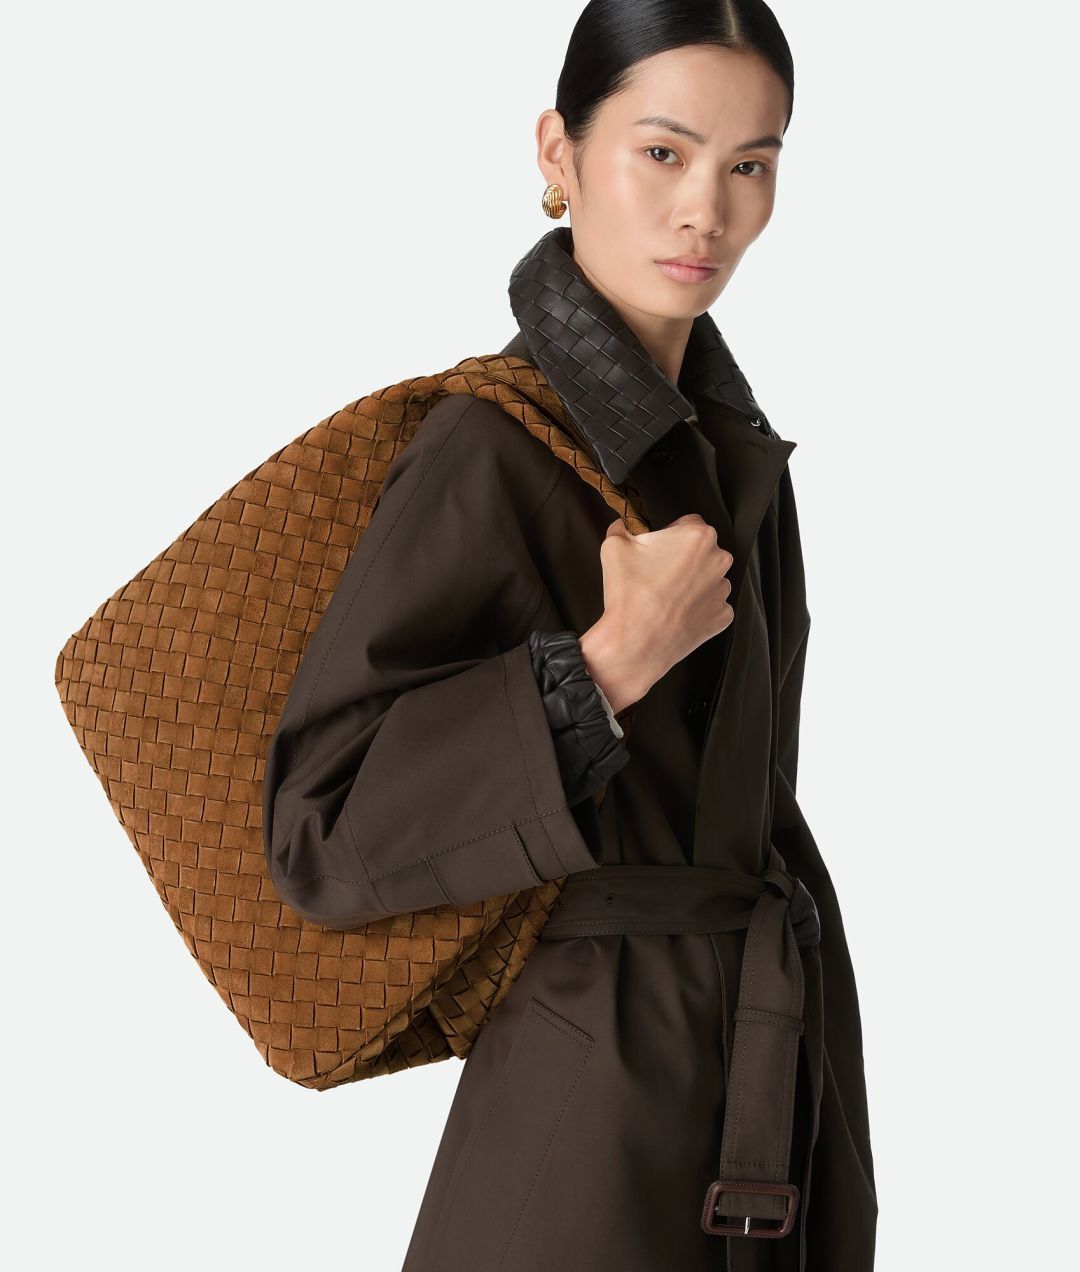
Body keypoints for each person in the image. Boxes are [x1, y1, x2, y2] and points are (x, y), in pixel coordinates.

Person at [261, 2, 877, 1268]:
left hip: (762, 1072)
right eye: (662, 152)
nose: (705, 211)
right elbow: (320, 832)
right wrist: (600, 672)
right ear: (560, 153)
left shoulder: (739, 460)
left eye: (749, 165)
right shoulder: (488, 446)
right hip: (587, 1110)